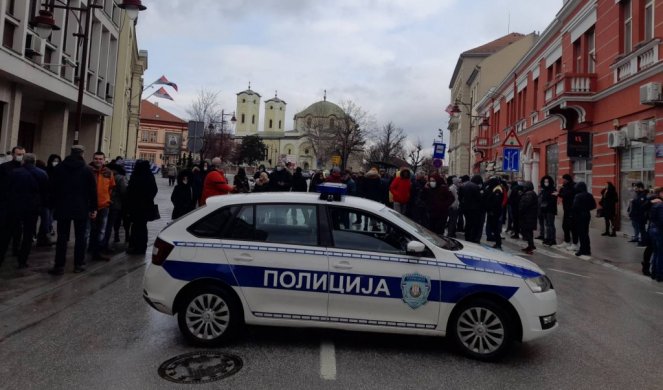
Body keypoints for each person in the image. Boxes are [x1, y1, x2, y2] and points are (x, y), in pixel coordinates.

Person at [49, 145, 97, 275]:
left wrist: (52, 205)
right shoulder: (87, 170)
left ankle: (59, 266)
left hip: (62, 207)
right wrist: (93, 208)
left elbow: (52, 189)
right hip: (81, 208)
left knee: (62, 237)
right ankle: (78, 264)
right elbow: (92, 191)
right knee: (80, 237)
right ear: (82, 154)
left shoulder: (59, 168)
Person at [0, 154, 48, 268]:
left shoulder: (15, 173)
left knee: (7, 233)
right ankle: (23, 260)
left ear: (23, 162)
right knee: (28, 234)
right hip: (32, 208)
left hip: (15, 207)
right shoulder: (42, 174)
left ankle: (1, 257)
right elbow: (45, 192)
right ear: (34, 162)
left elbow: (7, 189)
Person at [125, 160, 158, 255]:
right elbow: (154, 190)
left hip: (135, 206)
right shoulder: (150, 176)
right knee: (142, 227)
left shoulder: (135, 176)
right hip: (146, 206)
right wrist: (148, 198)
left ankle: (135, 246)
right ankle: (142, 247)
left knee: (135, 227)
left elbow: (129, 191)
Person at [88, 152, 116, 261]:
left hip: (104, 205)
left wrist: (107, 199)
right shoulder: (88, 171)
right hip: (90, 205)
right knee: (88, 229)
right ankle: (88, 248)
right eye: (96, 158)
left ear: (104, 160)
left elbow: (111, 187)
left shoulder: (108, 172)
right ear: (93, 159)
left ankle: (97, 250)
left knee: (101, 230)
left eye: (100, 159)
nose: (98, 161)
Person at [0, 146, 25, 265]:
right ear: (13, 154)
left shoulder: (25, 167)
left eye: (22, 154)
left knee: (18, 229)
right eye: (18, 154)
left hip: (19, 204)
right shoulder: (5, 167)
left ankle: (16, 249)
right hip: (6, 203)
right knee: (6, 230)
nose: (20, 156)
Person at [36, 154, 61, 246]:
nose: (56, 162)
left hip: (54, 201)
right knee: (47, 220)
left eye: (57, 161)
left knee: (49, 220)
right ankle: (45, 238)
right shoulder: (45, 171)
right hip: (45, 200)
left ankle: (42, 238)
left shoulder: (59, 172)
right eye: (54, 160)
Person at [102, 162, 127, 250]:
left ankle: (97, 244)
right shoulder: (120, 178)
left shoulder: (103, 175)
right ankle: (104, 244)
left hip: (103, 203)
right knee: (110, 225)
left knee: (102, 225)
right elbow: (124, 191)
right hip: (115, 204)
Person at [572, 181, 596, 257]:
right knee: (586, 232)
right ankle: (587, 249)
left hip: (579, 216)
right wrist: (586, 208)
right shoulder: (589, 195)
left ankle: (582, 250)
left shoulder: (578, 196)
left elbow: (575, 207)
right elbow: (594, 206)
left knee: (581, 233)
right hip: (587, 215)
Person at [558, 174, 578, 251]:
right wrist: (560, 192)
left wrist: (561, 193)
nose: (563, 181)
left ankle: (574, 243)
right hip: (566, 209)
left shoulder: (573, 186)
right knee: (565, 226)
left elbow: (567, 194)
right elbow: (561, 193)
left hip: (572, 209)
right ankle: (567, 241)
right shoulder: (564, 186)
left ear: (568, 179)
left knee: (572, 227)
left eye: (564, 179)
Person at [647, 187, 663, 281]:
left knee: (656, 252)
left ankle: (654, 272)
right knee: (660, 253)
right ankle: (659, 275)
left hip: (653, 230)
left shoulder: (655, 203)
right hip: (659, 231)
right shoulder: (660, 205)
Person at [519, 181, 538, 255]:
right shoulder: (530, 193)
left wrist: (521, 211)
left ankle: (531, 246)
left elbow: (525, 205)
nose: (524, 188)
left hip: (528, 216)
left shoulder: (529, 194)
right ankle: (530, 245)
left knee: (527, 232)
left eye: (525, 187)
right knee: (528, 231)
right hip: (529, 216)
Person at [485, 177, 505, 249]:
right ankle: (497, 242)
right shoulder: (495, 188)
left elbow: (496, 202)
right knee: (494, 227)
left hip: (495, 212)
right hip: (493, 211)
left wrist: (492, 210)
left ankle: (498, 243)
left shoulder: (497, 189)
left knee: (495, 228)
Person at [539, 175, 558, 246]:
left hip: (551, 210)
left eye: (547, 181)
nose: (545, 183)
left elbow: (553, 200)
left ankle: (552, 239)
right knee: (547, 224)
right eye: (544, 181)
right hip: (545, 209)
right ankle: (548, 238)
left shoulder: (553, 189)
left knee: (551, 225)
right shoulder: (544, 190)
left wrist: (547, 204)